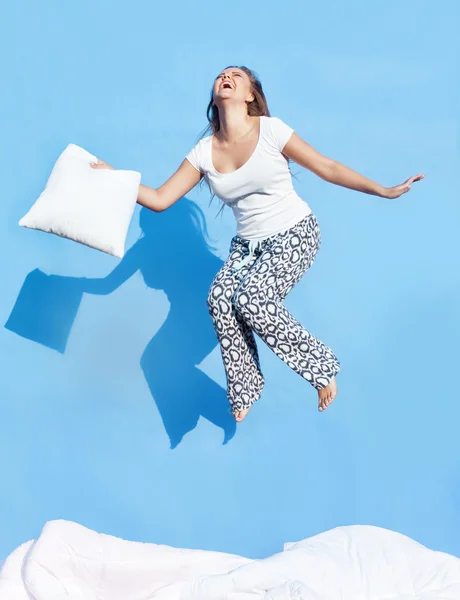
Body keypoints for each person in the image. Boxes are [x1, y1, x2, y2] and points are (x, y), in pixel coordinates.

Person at [91, 65, 424, 423]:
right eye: (221, 75)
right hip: (247, 248)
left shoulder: (271, 130)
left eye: (236, 74)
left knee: (252, 299)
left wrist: (384, 190)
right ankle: (246, 385)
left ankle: (322, 369)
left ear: (250, 94)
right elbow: (159, 199)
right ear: (214, 95)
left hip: (295, 232)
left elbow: (326, 167)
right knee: (220, 298)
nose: (226, 77)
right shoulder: (204, 152)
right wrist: (115, 178)